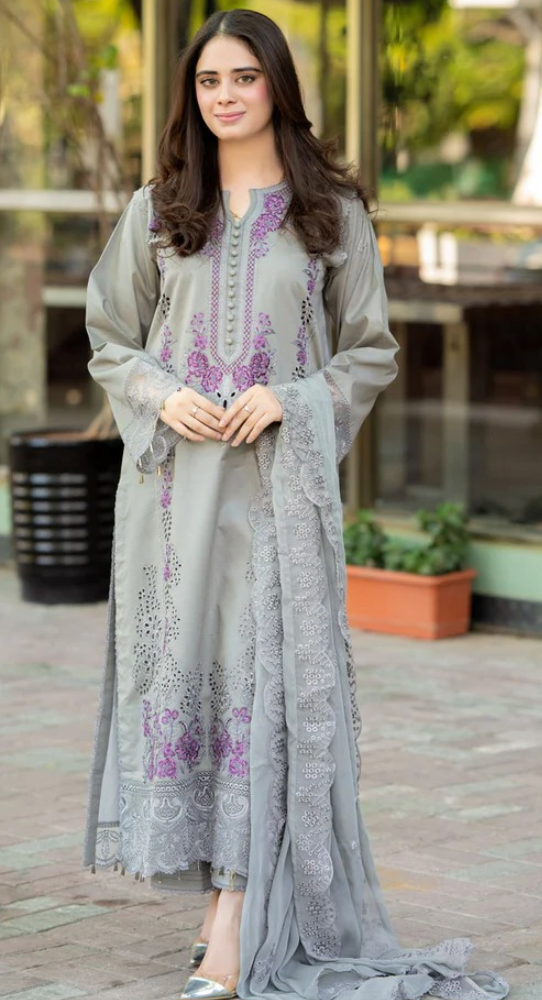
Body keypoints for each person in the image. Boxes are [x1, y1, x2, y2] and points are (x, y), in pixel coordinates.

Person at [83, 9, 509, 1000]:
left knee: (265, 698)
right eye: (208, 81)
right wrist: (160, 393)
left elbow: (371, 350)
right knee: (195, 690)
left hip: (279, 499)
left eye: (244, 76)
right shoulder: (159, 210)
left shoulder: (332, 215)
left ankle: (237, 917)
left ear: (278, 84)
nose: (225, 96)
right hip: (173, 507)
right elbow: (110, 336)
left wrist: (291, 397)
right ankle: (222, 899)